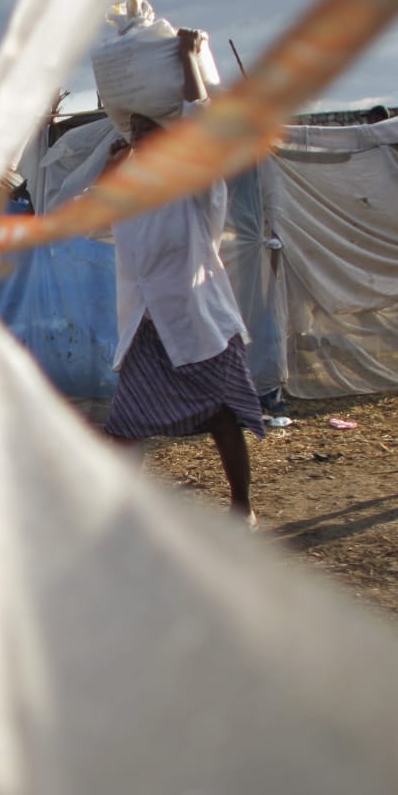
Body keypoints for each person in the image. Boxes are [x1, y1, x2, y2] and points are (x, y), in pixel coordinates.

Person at [102, 111, 265, 522]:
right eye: (134, 129)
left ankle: (242, 505)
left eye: (149, 128)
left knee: (221, 415)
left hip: (198, 321)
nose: (138, 135)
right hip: (146, 323)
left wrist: (191, 63)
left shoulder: (195, 188)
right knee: (126, 423)